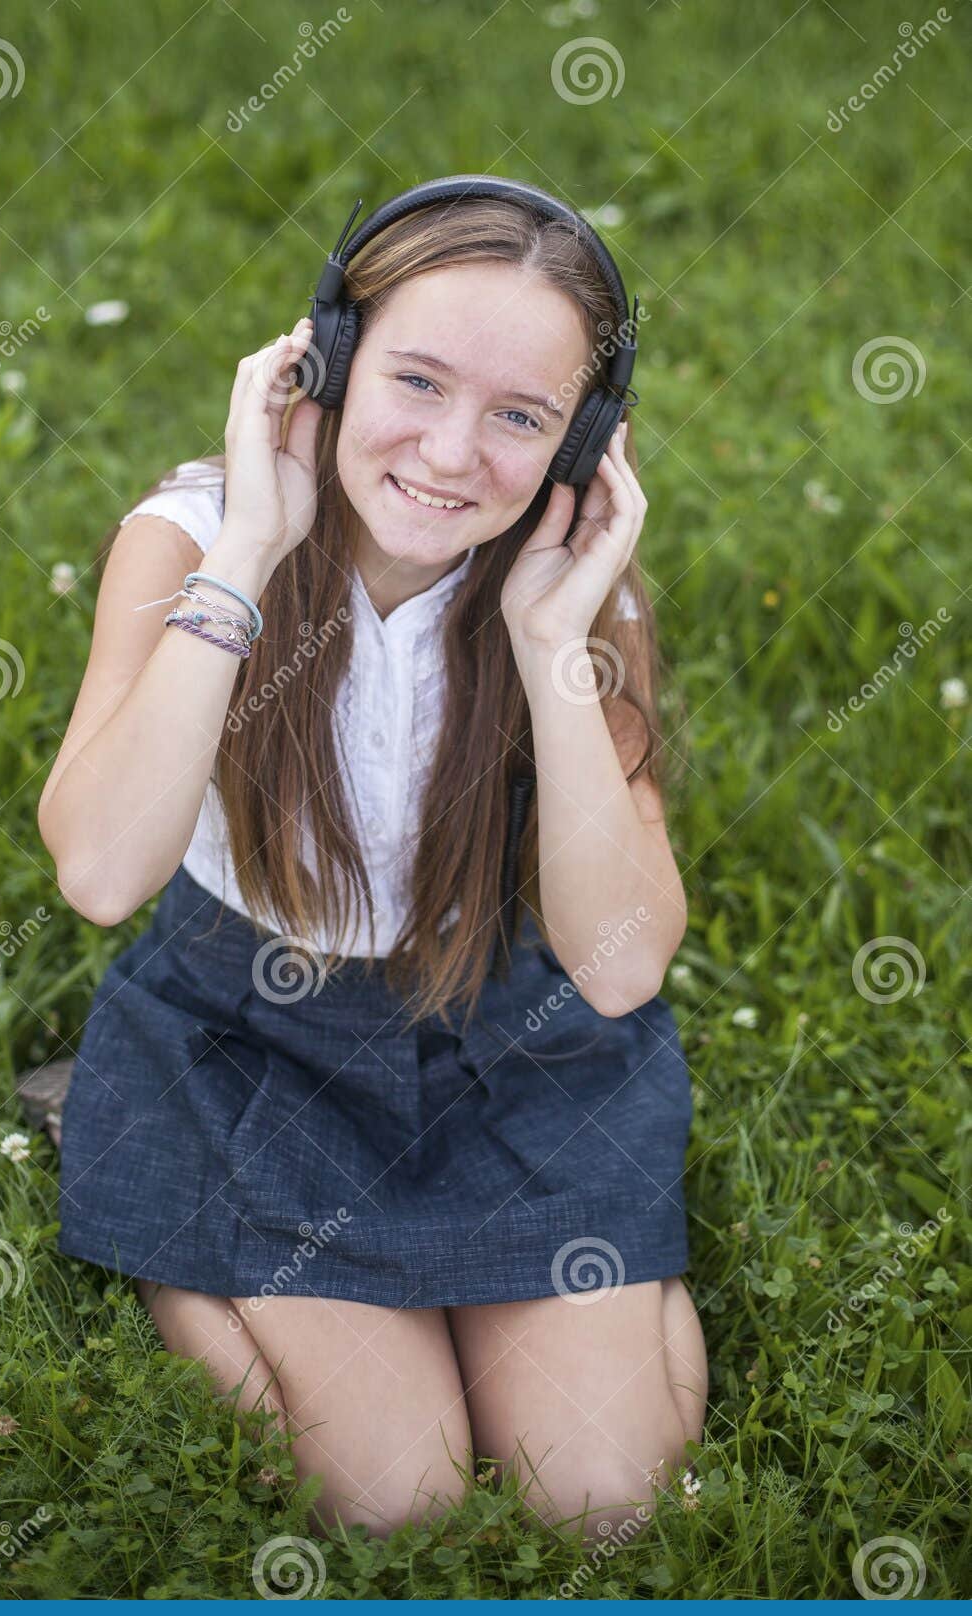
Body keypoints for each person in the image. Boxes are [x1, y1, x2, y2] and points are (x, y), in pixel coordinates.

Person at [37, 178, 708, 1546]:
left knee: (604, 1503)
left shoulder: (573, 583)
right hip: (254, 1039)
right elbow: (104, 872)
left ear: (584, 440)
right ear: (324, 362)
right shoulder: (192, 538)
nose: (453, 454)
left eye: (521, 415)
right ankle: (144, 1161)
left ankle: (552, 1281)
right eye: (415, 380)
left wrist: (550, 646)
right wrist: (251, 548)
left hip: (507, 1038)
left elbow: (622, 962)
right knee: (396, 1499)